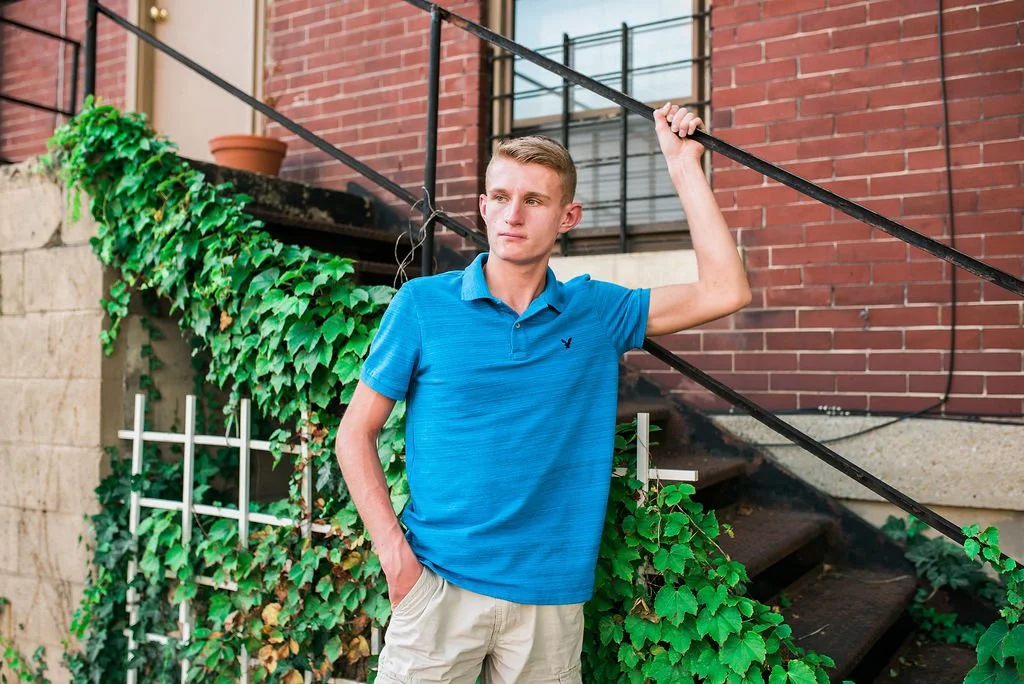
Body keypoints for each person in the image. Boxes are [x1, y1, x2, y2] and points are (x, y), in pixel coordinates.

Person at [335, 103, 751, 683]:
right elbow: (355, 433)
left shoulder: (597, 311)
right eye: (500, 197)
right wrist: (394, 557)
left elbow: (725, 289)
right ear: (482, 208)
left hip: (549, 598)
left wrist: (683, 166)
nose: (513, 214)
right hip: (437, 584)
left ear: (567, 216)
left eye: (534, 200)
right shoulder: (423, 306)